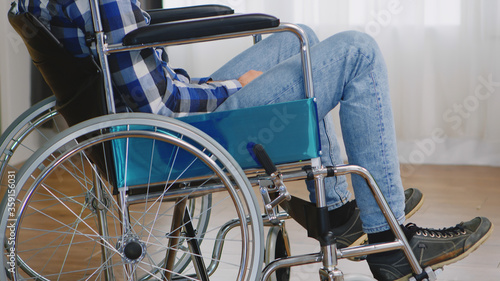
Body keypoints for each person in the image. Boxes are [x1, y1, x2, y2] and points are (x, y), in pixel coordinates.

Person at [13, 0, 493, 280]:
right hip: (171, 143)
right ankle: (389, 246)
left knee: (294, 37)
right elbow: (158, 107)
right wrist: (229, 90)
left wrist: (215, 87)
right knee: (357, 52)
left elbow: (142, 81)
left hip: (146, 129)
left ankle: (343, 213)